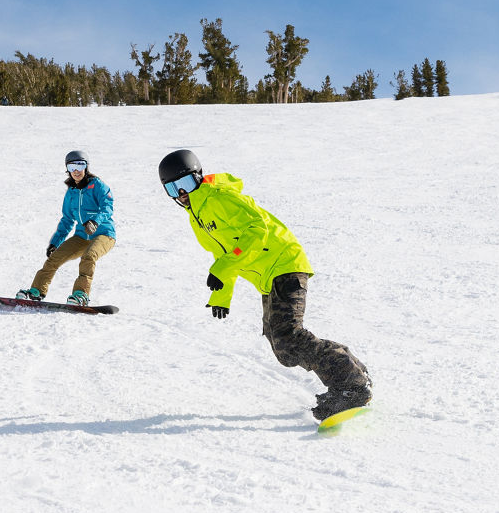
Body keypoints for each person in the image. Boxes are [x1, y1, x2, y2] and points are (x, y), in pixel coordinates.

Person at [157, 149, 371, 421]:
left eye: (185, 183)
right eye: (173, 189)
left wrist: (222, 267)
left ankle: (351, 386)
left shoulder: (220, 198)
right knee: (281, 346)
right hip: (269, 277)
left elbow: (258, 230)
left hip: (284, 264)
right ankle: (352, 370)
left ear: (198, 177)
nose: (181, 193)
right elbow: (224, 254)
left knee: (288, 335)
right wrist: (222, 295)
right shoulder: (196, 215)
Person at [17, 150, 116, 306]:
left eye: (80, 165)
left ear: (86, 166)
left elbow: (107, 207)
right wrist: (55, 243)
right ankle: (35, 292)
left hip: (104, 234)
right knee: (54, 258)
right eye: (71, 167)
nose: (76, 170)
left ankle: (81, 295)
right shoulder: (71, 192)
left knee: (89, 257)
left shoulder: (98, 185)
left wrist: (95, 222)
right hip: (82, 236)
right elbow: (67, 219)